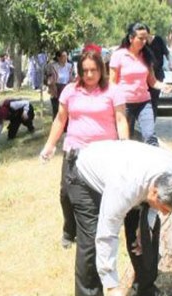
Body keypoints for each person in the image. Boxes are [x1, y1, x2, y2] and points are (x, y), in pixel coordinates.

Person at [68, 140, 172, 296]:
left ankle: (145, 289)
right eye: (165, 208)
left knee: (147, 236)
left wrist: (145, 227)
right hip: (86, 178)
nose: (166, 213)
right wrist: (111, 285)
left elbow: (153, 208)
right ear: (153, 192)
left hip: (133, 176)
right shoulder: (125, 185)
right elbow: (107, 233)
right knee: (91, 239)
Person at [40, 50, 129, 251]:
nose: (89, 75)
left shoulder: (113, 91)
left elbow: (121, 120)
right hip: (74, 151)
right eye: (85, 71)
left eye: (94, 70)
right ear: (79, 71)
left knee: (99, 196)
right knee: (66, 195)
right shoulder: (70, 90)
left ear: (101, 70)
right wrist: (49, 145)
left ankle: (94, 235)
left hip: (104, 153)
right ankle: (69, 229)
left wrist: (125, 147)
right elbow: (60, 119)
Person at [110, 22, 172, 147]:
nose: (144, 41)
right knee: (124, 141)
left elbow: (152, 81)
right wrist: (114, 103)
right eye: (141, 38)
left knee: (150, 136)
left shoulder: (147, 56)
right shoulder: (118, 55)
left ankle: (155, 164)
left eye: (146, 38)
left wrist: (164, 86)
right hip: (124, 104)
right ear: (131, 38)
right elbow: (112, 82)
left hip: (144, 103)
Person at [146, 27, 172, 118]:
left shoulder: (158, 40)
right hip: (146, 74)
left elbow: (166, 52)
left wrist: (170, 63)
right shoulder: (143, 44)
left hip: (158, 73)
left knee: (154, 99)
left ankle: (152, 119)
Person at [46, 50, 75, 118]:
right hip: (56, 88)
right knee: (57, 110)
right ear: (58, 57)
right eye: (63, 56)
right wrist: (51, 85)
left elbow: (72, 78)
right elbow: (49, 78)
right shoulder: (53, 66)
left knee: (67, 110)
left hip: (67, 88)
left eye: (66, 56)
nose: (65, 58)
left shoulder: (70, 66)